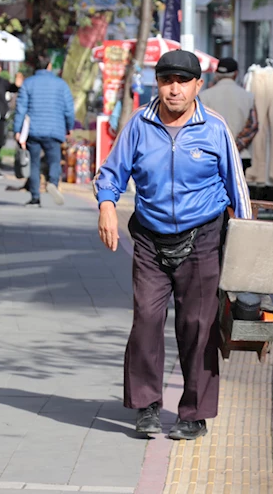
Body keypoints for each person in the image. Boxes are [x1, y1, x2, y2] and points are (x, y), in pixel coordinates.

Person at [94, 50, 252, 440]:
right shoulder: (139, 124)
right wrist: (106, 206)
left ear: (199, 85)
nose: (174, 89)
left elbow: (239, 192)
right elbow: (111, 174)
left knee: (197, 326)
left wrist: (250, 258)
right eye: (167, 81)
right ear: (158, 84)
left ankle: (193, 413)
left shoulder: (214, 128)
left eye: (183, 81)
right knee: (146, 319)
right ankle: (146, 407)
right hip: (149, 237)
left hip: (203, 237)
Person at [13, 53, 74, 207]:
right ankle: (52, 182)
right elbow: (69, 110)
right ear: (49, 66)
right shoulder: (61, 84)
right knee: (54, 160)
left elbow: (21, 108)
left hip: (33, 130)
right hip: (54, 129)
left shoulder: (28, 83)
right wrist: (69, 127)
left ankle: (35, 197)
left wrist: (17, 129)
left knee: (34, 163)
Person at [199, 57, 258, 172]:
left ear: (216, 73)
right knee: (238, 188)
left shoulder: (204, 96)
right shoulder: (248, 97)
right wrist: (237, 145)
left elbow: (200, 125)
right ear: (236, 74)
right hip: (241, 154)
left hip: (213, 153)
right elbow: (253, 126)